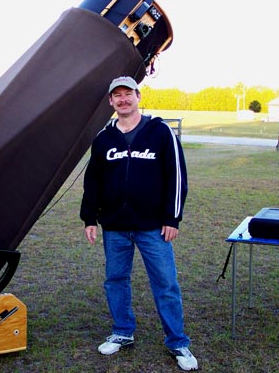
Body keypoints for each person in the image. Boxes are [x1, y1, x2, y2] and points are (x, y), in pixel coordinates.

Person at [80, 76, 197, 371]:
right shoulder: (104, 139)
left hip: (153, 227)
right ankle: (122, 332)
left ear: (138, 96)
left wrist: (172, 217)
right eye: (116, 95)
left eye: (127, 94)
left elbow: (177, 176)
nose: (123, 99)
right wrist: (89, 217)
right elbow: (93, 180)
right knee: (116, 280)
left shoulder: (160, 132)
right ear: (110, 101)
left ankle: (178, 342)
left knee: (166, 284)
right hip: (115, 226)